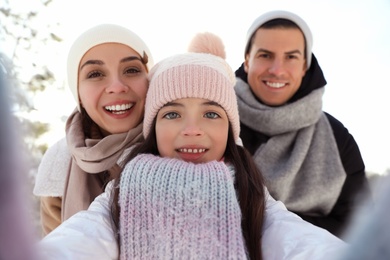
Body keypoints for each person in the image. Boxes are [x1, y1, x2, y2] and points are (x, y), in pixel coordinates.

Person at [37, 32, 346, 260]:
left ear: (230, 128)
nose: (192, 129)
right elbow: (81, 238)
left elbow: (294, 240)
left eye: (211, 113)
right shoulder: (126, 186)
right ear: (153, 127)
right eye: (172, 113)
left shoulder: (246, 188)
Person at [234, 10, 372, 237]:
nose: (277, 70)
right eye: (265, 55)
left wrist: (269, 224)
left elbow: (359, 228)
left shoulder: (337, 138)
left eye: (291, 57)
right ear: (247, 61)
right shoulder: (214, 120)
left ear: (305, 65)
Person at [33, 24, 154, 236]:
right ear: (78, 93)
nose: (117, 86)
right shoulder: (58, 168)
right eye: (96, 73)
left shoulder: (187, 143)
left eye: (132, 70)